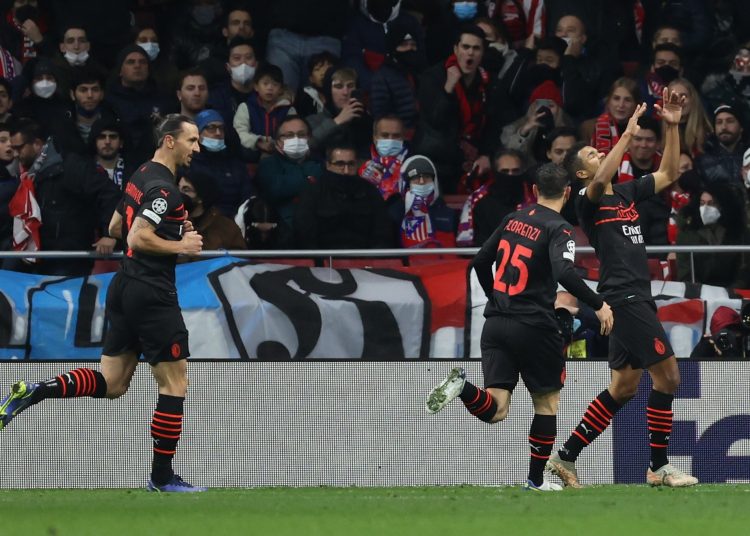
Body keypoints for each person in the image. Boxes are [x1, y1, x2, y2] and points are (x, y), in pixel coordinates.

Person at [0, 114, 207, 493]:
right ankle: (162, 478)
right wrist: (181, 245)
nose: (197, 148)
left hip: (124, 286)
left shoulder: (142, 174)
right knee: (175, 384)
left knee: (113, 383)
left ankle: (36, 390)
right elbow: (139, 237)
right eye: (192, 140)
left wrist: (172, 230)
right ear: (169, 141)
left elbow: (115, 228)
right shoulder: (165, 189)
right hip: (152, 292)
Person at [425, 162, 613, 491]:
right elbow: (565, 274)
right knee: (547, 404)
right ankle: (535, 480)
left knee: (496, 409)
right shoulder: (560, 228)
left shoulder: (512, 219)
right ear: (568, 193)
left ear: (535, 191)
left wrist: (496, 297)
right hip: (534, 326)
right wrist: (598, 305)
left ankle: (462, 389)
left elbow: (479, 262)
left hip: (496, 323)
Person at [550, 89, 699, 488]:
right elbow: (600, 178)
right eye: (593, 156)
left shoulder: (628, 191)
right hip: (624, 297)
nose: (602, 157)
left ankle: (565, 457)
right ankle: (659, 466)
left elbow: (668, 173)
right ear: (580, 173)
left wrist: (671, 126)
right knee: (668, 378)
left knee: (623, 387)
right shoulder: (586, 198)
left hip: (636, 294)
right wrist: (627, 135)